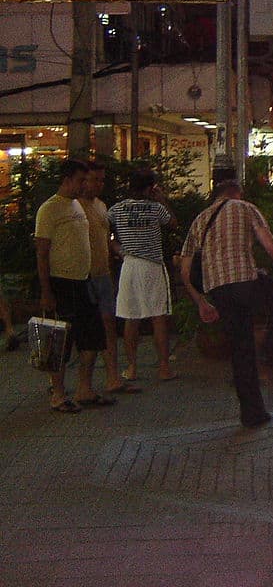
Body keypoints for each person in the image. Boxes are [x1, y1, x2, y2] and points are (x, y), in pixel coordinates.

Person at [179, 176, 273, 428]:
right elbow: (271, 246)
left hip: (218, 289)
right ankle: (270, 354)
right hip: (245, 281)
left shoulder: (200, 219)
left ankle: (252, 413)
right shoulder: (245, 208)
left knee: (240, 346)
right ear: (236, 192)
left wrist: (201, 302)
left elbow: (185, 271)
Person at [35, 159, 114, 413]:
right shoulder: (50, 209)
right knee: (60, 341)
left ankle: (85, 388)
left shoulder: (77, 205)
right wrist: (46, 291)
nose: (84, 185)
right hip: (62, 281)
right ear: (67, 179)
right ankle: (58, 394)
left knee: (92, 338)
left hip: (83, 280)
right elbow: (42, 253)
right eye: (81, 180)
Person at [108, 168, 176, 383]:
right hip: (153, 265)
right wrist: (162, 199)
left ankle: (131, 367)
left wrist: (117, 248)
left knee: (131, 317)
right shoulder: (156, 208)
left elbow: (104, 230)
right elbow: (172, 223)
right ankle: (164, 367)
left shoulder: (117, 209)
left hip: (129, 265)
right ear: (150, 188)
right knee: (158, 317)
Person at [81, 160, 137, 394]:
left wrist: (118, 254)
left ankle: (112, 377)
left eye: (102, 180)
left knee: (108, 325)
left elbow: (106, 239)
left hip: (102, 272)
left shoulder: (101, 206)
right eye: (95, 180)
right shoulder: (74, 206)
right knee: (86, 329)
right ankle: (80, 383)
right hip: (83, 275)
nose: (99, 184)